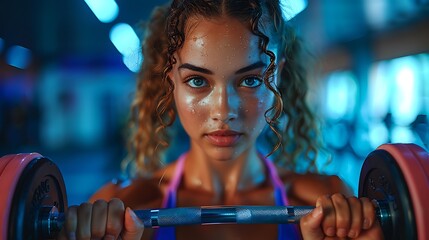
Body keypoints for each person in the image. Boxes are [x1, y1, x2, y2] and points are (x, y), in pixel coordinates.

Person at [58, 0, 384, 239]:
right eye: (198, 81)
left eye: (251, 80)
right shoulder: (119, 209)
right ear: (170, 79)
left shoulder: (327, 205)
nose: (224, 110)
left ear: (278, 77)